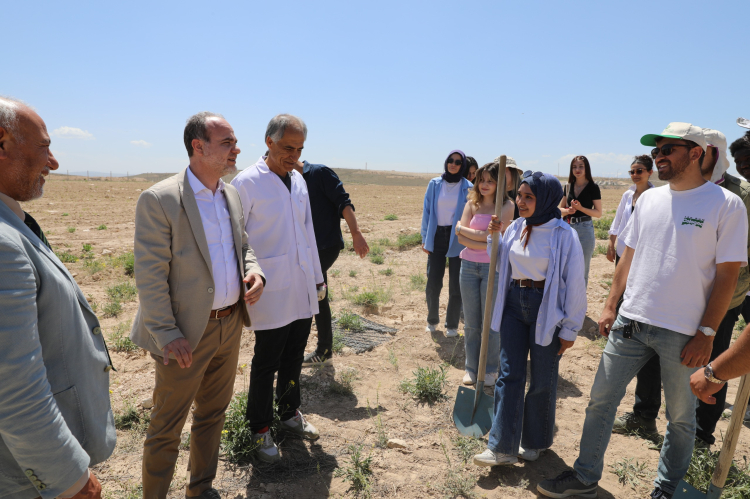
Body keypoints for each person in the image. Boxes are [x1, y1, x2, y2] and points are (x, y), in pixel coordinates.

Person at [538, 122, 749, 499]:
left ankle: (666, 488)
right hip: (630, 323)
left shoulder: (726, 205)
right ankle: (584, 477)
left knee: (680, 419)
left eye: (667, 150)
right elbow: (628, 256)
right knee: (600, 401)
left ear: (696, 153)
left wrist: (706, 333)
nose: (658, 157)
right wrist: (609, 306)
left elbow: (727, 276)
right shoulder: (649, 200)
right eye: (655, 152)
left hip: (684, 333)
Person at [131, 112, 265, 498]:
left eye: (234, 142)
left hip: (230, 325)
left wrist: (255, 272)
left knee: (213, 414)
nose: (236, 149)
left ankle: (200, 488)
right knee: (166, 426)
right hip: (185, 334)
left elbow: (243, 245)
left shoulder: (230, 194)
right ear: (198, 146)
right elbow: (150, 276)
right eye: (227, 143)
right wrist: (167, 333)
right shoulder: (160, 199)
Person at [0, 96, 116, 498]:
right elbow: (13, 388)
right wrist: (68, 478)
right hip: (25, 478)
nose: (54, 162)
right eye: (44, 147)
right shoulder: (3, 245)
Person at [473, 170, 586, 467]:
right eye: (519, 195)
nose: (521, 202)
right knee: (509, 374)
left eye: (529, 197)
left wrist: (570, 328)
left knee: (542, 379)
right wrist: (494, 237)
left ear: (546, 199)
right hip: (513, 302)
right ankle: (502, 447)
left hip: (545, 307)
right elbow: (500, 263)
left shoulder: (564, 235)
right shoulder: (515, 227)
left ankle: (534, 441)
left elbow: (575, 283)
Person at [231, 114, 324, 463]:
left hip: (301, 284)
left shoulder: (298, 180)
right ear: (269, 142)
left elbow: (308, 232)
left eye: (299, 149)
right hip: (268, 287)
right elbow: (235, 238)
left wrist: (318, 277)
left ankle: (288, 413)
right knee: (266, 360)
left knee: (294, 354)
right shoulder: (246, 183)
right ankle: (259, 427)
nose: (294, 155)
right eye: (288, 148)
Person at [294, 159, 369, 368]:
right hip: (306, 250)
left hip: (325, 246)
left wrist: (356, 234)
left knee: (307, 293)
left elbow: (343, 203)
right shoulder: (288, 180)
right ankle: (324, 351)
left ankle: (298, 354)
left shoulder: (319, 173)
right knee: (319, 295)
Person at [456, 162, 514, 386]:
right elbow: (461, 239)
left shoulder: (506, 206)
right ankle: (471, 368)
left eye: (490, 181)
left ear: (499, 184)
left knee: (490, 323)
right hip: (468, 267)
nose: (484, 184)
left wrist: (464, 231)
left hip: (493, 269)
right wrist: (486, 239)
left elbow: (496, 240)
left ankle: (489, 369)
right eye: (481, 180)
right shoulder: (472, 203)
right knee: (471, 323)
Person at [420, 150, 473, 337]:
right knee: (433, 282)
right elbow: (427, 212)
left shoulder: (469, 187)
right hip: (436, 236)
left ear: (462, 165)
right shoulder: (434, 184)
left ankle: (452, 325)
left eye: (458, 162)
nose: (453, 164)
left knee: (456, 285)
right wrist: (425, 238)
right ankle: (432, 320)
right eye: (451, 160)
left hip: (458, 238)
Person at [559, 155, 602, 288]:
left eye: (581, 166)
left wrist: (581, 208)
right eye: (574, 167)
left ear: (586, 168)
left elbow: (598, 213)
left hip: (585, 229)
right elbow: (559, 210)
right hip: (568, 228)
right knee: (565, 268)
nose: (577, 169)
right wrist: (568, 211)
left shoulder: (593, 187)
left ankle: (579, 300)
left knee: (582, 269)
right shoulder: (568, 187)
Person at [607, 155, 654, 265]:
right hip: (623, 248)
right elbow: (618, 219)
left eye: (639, 171)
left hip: (644, 251)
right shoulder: (628, 195)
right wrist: (611, 243)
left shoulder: (655, 196)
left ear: (650, 172)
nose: (635, 175)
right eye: (632, 172)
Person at [499, 156, 523, 220]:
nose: (498, 175)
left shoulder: (524, 194)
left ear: (513, 172)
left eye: (502, 171)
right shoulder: (491, 195)